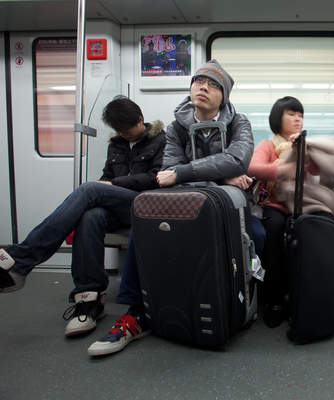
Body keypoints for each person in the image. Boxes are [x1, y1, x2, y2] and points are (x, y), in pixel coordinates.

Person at [88, 59, 264, 356]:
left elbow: (237, 161)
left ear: (225, 95)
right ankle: (136, 310)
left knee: (258, 234)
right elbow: (167, 171)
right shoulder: (177, 127)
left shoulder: (238, 122)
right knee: (142, 230)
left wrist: (190, 173)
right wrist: (220, 176)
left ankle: (241, 299)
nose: (203, 87)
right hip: (188, 201)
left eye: (213, 85)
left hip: (226, 204)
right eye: (198, 81)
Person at [0, 97, 166, 338]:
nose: (124, 134)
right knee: (90, 215)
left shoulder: (161, 140)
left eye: (127, 129)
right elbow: (107, 176)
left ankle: (21, 259)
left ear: (140, 120)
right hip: (119, 207)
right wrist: (107, 184)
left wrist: (110, 184)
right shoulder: (117, 144)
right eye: (118, 130)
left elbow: (156, 178)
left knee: (90, 189)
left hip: (145, 205)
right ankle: (88, 299)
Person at [247, 96, 304, 328]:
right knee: (274, 228)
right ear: (277, 118)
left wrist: (302, 151)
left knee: (308, 230)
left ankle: (300, 294)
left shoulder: (305, 143)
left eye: (300, 115)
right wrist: (286, 167)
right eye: (291, 114)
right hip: (274, 204)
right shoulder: (268, 145)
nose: (297, 119)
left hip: (303, 203)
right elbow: (253, 168)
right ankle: (273, 298)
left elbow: (318, 172)